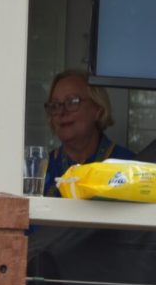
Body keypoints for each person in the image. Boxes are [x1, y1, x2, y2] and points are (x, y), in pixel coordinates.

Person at [41, 69, 135, 197]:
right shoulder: (42, 169)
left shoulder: (130, 167)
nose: (62, 112)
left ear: (98, 109)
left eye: (72, 102)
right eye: (55, 105)